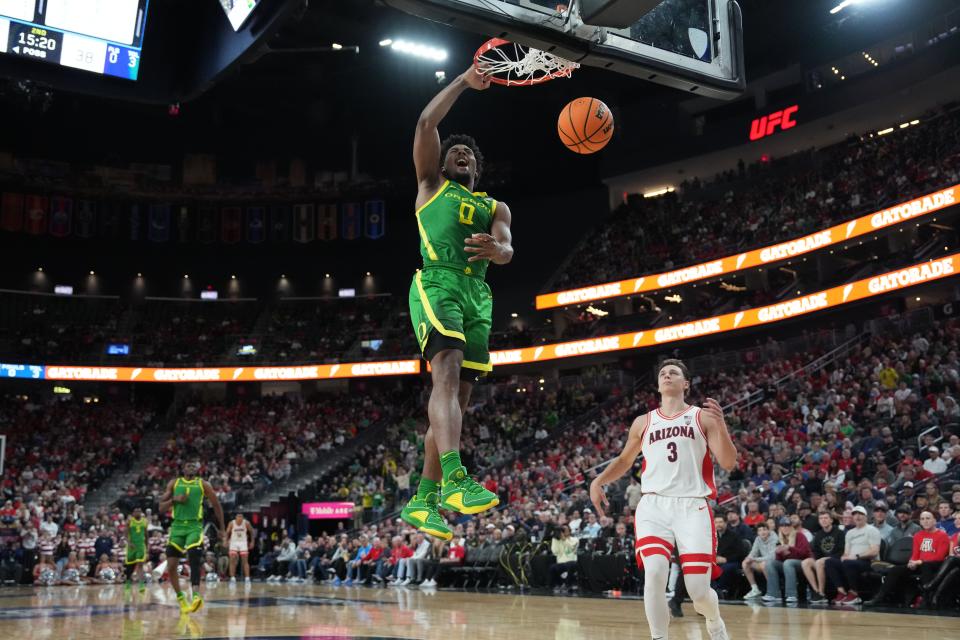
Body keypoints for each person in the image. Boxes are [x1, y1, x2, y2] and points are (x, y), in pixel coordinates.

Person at [400, 63, 514, 542]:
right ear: (443, 165)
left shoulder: (495, 207)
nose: (462, 154)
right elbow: (427, 123)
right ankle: (454, 477)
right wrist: (466, 82)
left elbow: (508, 249)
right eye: (456, 152)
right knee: (444, 374)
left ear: (477, 168)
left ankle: (423, 501)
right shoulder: (430, 187)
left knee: (461, 399)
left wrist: (498, 250)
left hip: (479, 295)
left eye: (469, 153)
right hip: (439, 283)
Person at [590, 359, 737, 640]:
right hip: (654, 505)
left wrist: (722, 426)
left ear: (686, 384)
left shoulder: (702, 417)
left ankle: (715, 622)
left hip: (693, 504)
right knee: (655, 573)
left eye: (674, 373)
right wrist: (599, 480)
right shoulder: (643, 422)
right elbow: (624, 460)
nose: (667, 375)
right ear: (658, 385)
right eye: (662, 373)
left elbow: (729, 462)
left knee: (697, 591)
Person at [158, 460, 226, 615]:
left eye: (194, 466)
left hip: (194, 526)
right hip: (177, 527)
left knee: (194, 557)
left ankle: (196, 596)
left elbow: (217, 506)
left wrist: (222, 528)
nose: (191, 467)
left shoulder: (203, 484)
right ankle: (181, 599)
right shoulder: (174, 483)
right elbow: (161, 507)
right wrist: (175, 499)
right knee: (172, 565)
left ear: (198, 470)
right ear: (183, 468)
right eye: (189, 465)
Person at [865, 510, 950, 607]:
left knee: (926, 566)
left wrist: (919, 562)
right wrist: (912, 562)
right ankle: (879, 597)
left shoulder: (943, 535)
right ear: (920, 522)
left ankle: (926, 599)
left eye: (928, 518)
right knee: (896, 570)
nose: (925, 521)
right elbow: (915, 553)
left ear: (935, 521)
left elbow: (940, 556)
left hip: (935, 565)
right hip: (920, 564)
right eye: (922, 519)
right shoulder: (918, 535)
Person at [824, 505, 881, 605]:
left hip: (869, 562)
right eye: (855, 514)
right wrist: (844, 556)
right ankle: (841, 592)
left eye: (860, 514)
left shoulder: (872, 530)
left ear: (866, 517)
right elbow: (846, 552)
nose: (858, 517)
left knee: (848, 562)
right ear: (852, 518)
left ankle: (854, 594)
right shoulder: (850, 533)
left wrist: (857, 556)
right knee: (829, 562)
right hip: (851, 561)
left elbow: (874, 551)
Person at [765, 517, 811, 603]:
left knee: (788, 563)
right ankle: (773, 594)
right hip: (788, 564)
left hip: (803, 563)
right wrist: (778, 553)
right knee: (770, 563)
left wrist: (790, 548)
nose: (785, 527)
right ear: (780, 528)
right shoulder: (780, 539)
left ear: (791, 527)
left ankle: (791, 595)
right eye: (782, 525)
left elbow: (804, 553)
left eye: (787, 525)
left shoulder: (800, 536)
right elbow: (779, 559)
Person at [802, 511, 844, 603]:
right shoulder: (818, 535)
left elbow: (842, 551)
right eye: (821, 518)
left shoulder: (840, 533)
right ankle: (816, 591)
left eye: (825, 518)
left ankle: (821, 593)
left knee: (819, 562)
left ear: (831, 520)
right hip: (821, 561)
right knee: (805, 562)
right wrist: (818, 558)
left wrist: (827, 558)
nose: (823, 520)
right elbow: (816, 551)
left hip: (836, 560)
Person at [742, 523, 778, 599]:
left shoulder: (775, 538)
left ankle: (773, 591)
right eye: (760, 530)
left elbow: (772, 557)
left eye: (764, 529)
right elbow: (753, 552)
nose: (762, 532)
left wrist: (754, 559)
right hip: (763, 562)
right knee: (745, 563)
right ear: (757, 532)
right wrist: (748, 558)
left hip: (775, 562)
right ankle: (755, 589)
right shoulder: (758, 539)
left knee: (764, 565)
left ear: (769, 530)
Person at [123, 507, 148, 595]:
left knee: (140, 565)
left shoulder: (145, 521)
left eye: (139, 511)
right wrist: (129, 543)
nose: (138, 512)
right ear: (133, 513)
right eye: (136, 511)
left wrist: (147, 547)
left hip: (141, 546)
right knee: (130, 567)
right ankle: (128, 582)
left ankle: (141, 585)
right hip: (132, 547)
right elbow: (125, 534)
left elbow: (146, 534)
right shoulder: (130, 521)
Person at [225, 513, 254, 584]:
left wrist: (252, 541)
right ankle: (232, 578)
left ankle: (247, 578)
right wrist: (225, 541)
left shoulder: (246, 523)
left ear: (243, 517)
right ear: (236, 517)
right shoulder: (232, 523)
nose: (240, 518)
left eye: (241, 516)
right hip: (233, 542)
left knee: (245, 561)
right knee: (232, 560)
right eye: (238, 516)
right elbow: (227, 532)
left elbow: (252, 531)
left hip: (243, 542)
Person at [550, 525, 579, 593]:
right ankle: (558, 584)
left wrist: (565, 540)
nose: (563, 531)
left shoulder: (575, 539)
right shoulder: (557, 540)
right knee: (552, 568)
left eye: (565, 530)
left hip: (572, 561)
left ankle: (567, 585)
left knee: (570, 565)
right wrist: (555, 540)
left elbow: (572, 548)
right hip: (561, 562)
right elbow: (555, 552)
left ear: (569, 531)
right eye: (562, 530)